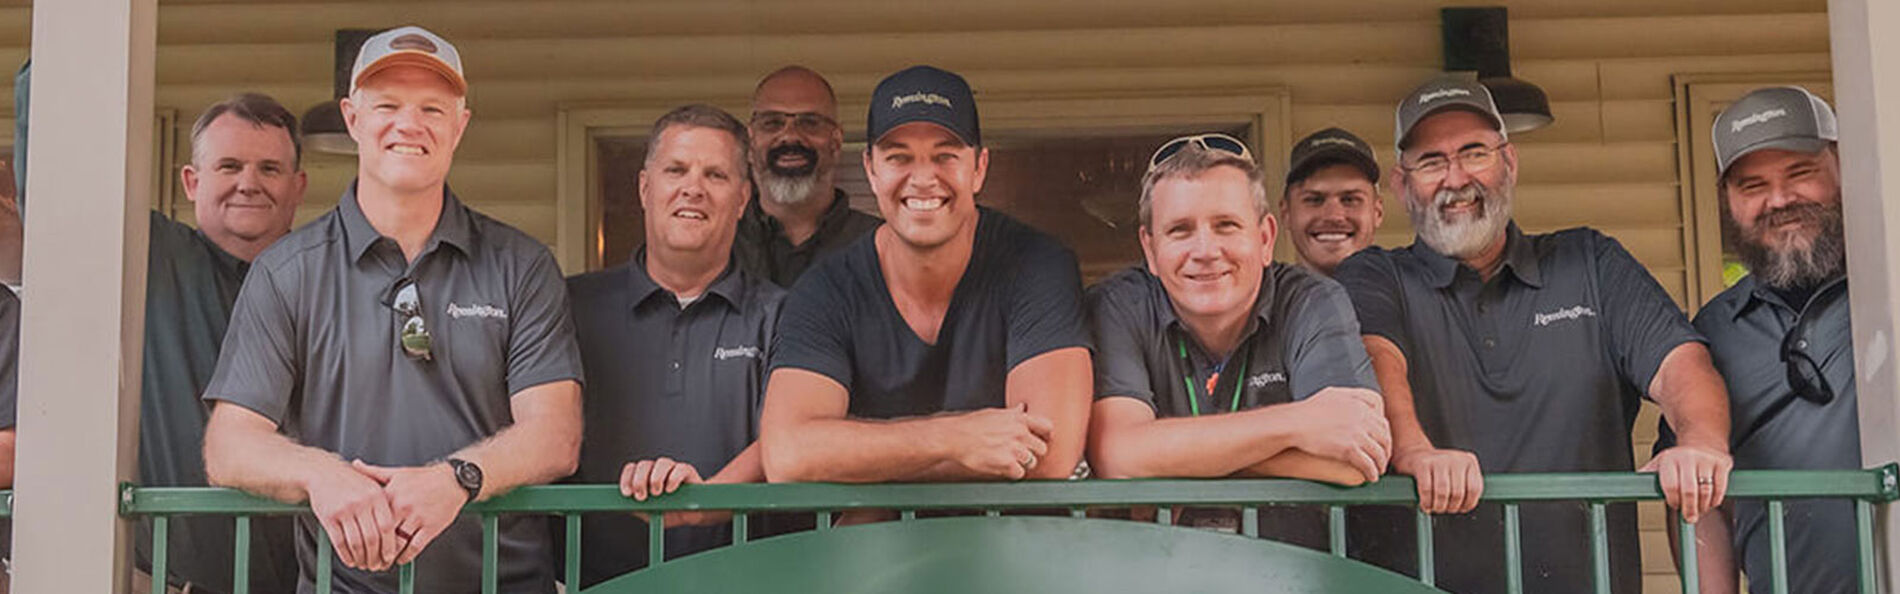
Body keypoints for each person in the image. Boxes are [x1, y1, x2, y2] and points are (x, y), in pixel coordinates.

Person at [201, 26, 583, 593]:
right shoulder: (288, 272)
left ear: (460, 125)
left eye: (432, 107)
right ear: (353, 118)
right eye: (388, 105)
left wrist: (457, 480)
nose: (410, 123)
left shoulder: (520, 265)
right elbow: (228, 446)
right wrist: (320, 473)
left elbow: (556, 433)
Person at [1334, 76, 1734, 594]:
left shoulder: (1590, 261)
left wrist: (1700, 442)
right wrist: (1414, 450)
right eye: (1431, 162)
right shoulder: (1374, 276)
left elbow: (1681, 362)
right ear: (1402, 185)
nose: (1455, 178)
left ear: (1510, 163)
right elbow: (1375, 358)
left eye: (1474, 152)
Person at [0, 86, 309, 593]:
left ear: (298, 186)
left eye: (269, 169)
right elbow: (61, 184)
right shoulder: (152, 259)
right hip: (173, 583)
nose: (249, 183)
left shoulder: (325, 280)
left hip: (312, 584)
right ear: (191, 181)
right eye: (229, 166)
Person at [759, 65, 1093, 489]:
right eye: (898, 156)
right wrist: (955, 439)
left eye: (945, 156)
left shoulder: (1037, 264)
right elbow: (788, 455)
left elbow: (1050, 454)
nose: (921, 178)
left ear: (979, 168)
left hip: (1011, 544)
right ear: (871, 169)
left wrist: (861, 458)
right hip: (875, 552)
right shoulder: (826, 288)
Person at [1084, 132, 1389, 544]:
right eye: (1180, 230)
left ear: (1264, 238)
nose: (1206, 250)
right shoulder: (1118, 304)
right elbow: (1118, 453)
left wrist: (1176, 458)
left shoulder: (1313, 300)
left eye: (1226, 225)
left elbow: (1354, 460)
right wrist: (1299, 424)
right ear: (1150, 249)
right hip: (1155, 574)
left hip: (1290, 576)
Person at [562, 104, 782, 588]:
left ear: (743, 198)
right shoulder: (570, 307)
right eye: (676, 170)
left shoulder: (783, 316)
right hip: (594, 585)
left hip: (746, 584)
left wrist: (706, 501)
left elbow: (795, 436)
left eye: (716, 174)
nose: (693, 188)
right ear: (645, 187)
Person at [1663, 85, 1857, 594]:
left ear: (1842, 167)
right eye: (1752, 186)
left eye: (1800, 173)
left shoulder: (1887, 292)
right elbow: (1698, 502)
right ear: (1728, 201)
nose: (1779, 200)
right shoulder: (1710, 334)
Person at [734, 65, 880, 287]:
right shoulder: (717, 242)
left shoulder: (880, 245)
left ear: (836, 141)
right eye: (772, 123)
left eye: (809, 123)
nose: (790, 136)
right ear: (751, 141)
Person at [1279, 128, 1384, 276]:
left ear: (1377, 212)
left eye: (1350, 200)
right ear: (1286, 213)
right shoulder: (1262, 298)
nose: (1334, 216)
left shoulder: (1414, 296)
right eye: (1314, 200)